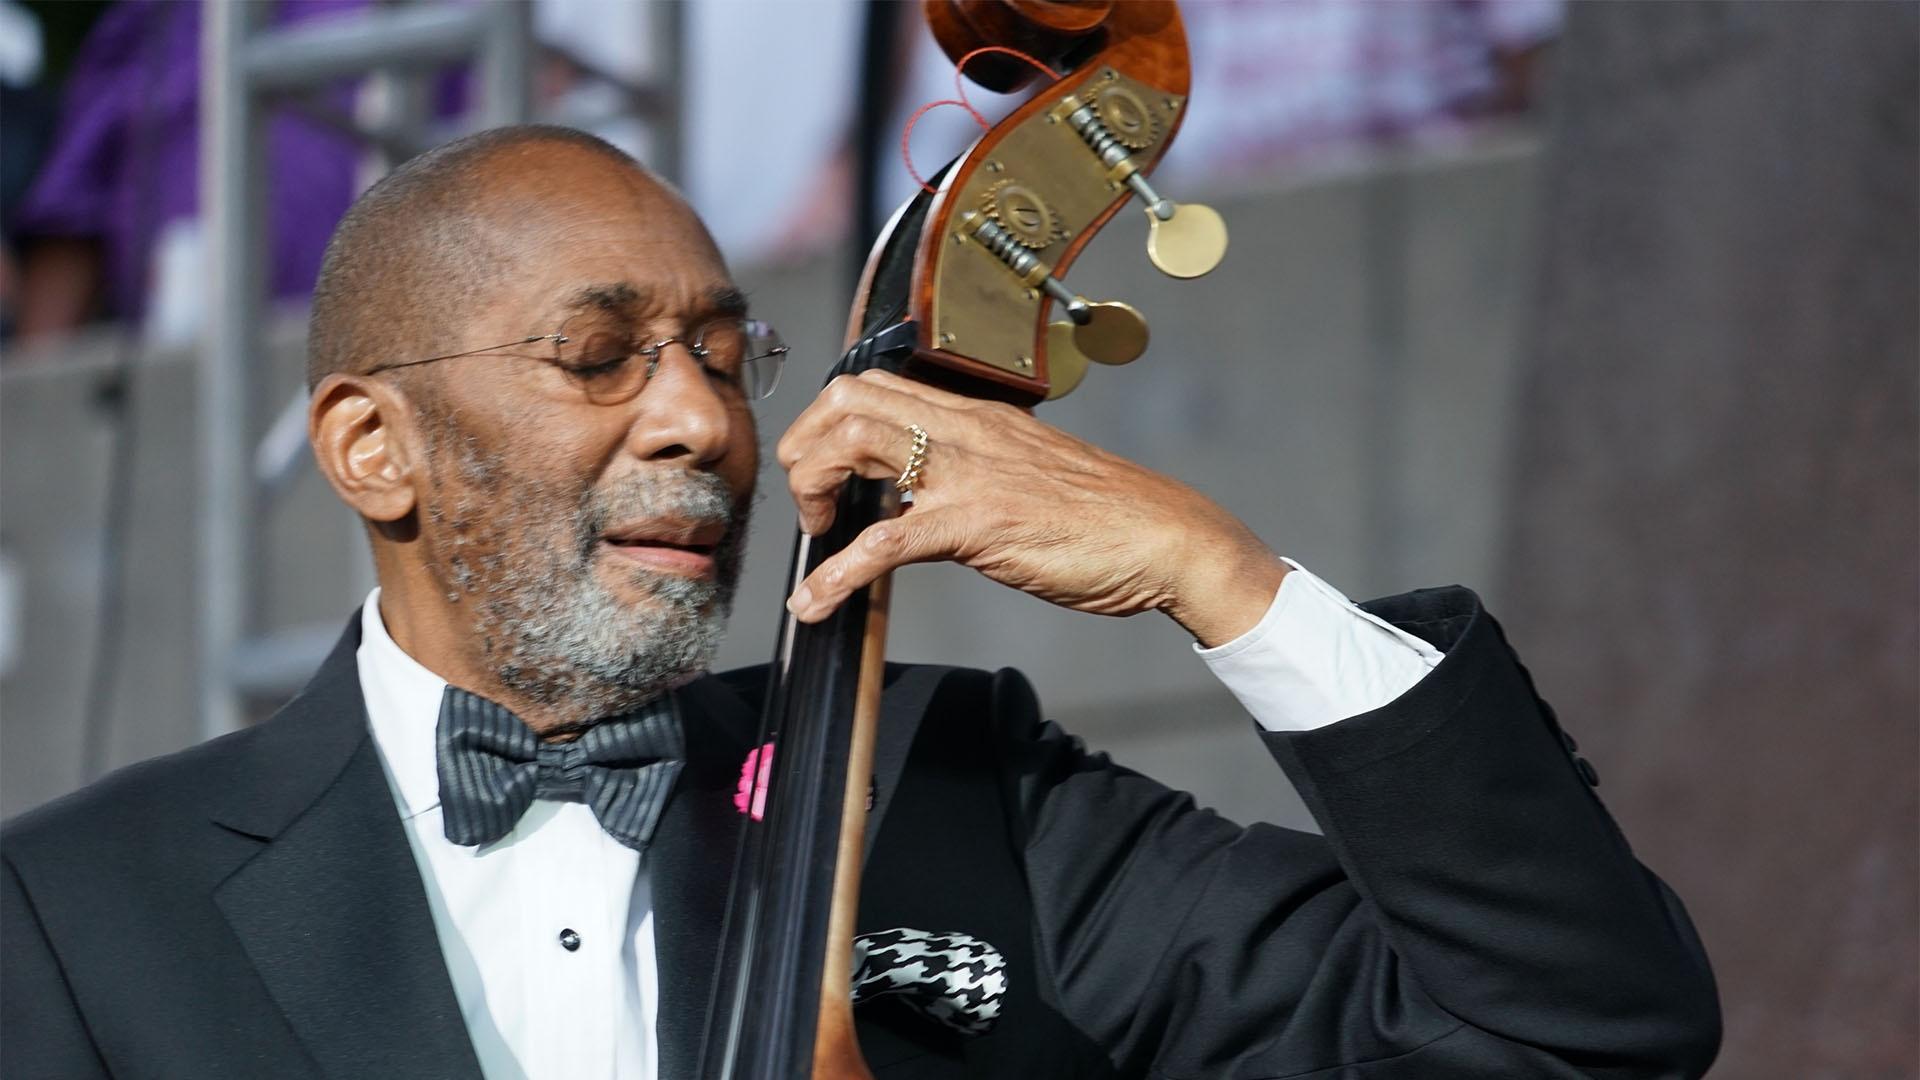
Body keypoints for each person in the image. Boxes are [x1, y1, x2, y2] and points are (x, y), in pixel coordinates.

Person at [0, 125, 1720, 1079]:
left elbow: (1575, 1023)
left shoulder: (956, 785)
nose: (698, 418)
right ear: (374, 449)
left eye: (721, 355)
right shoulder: (76, 916)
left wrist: (1223, 576)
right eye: (597, 357)